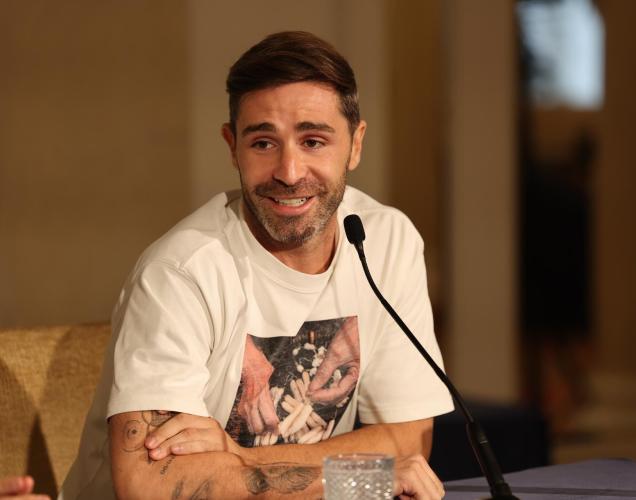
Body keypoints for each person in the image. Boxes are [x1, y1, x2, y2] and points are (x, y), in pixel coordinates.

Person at [59, 31, 453, 499]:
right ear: (232, 146)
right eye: (263, 143)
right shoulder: (181, 273)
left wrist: (237, 456)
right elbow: (147, 485)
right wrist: (360, 478)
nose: (289, 172)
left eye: (313, 141)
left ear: (355, 144)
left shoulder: (385, 241)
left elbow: (408, 441)